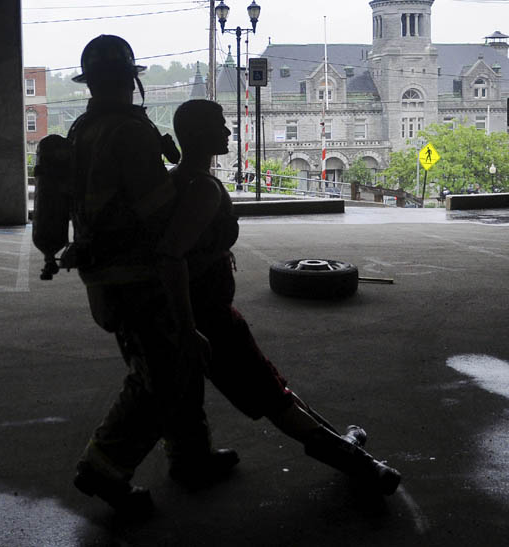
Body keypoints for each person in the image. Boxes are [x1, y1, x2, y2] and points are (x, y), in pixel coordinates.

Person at [157, 99, 401, 496]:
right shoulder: (203, 186)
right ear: (199, 134)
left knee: (196, 394)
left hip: (195, 312)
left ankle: (191, 461)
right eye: (220, 124)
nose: (228, 131)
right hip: (208, 317)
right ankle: (362, 465)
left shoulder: (177, 177)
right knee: (272, 395)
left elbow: (188, 245)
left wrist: (216, 250)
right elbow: (172, 256)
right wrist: (188, 327)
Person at [67, 37, 237, 518]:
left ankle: (191, 457)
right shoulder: (130, 133)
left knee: (177, 368)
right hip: (137, 278)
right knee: (160, 376)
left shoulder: (82, 130)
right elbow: (156, 212)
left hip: (102, 274)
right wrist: (185, 187)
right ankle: (104, 468)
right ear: (132, 79)